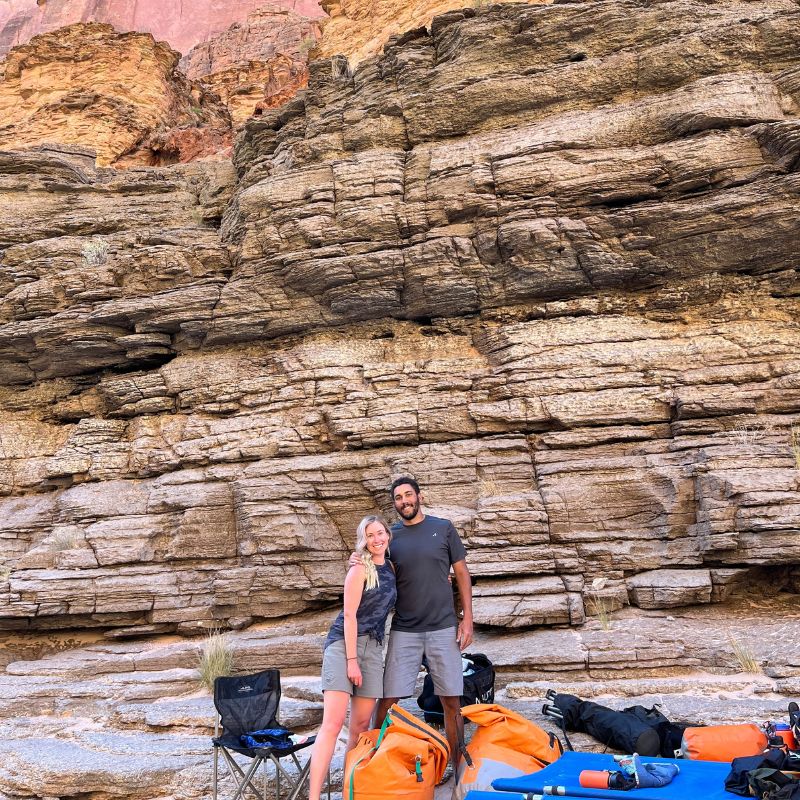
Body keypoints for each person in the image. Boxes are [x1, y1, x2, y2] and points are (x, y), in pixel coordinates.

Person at [372, 476, 474, 782]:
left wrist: (467, 619)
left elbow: (462, 573)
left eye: (408, 495)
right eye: (398, 498)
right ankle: (372, 759)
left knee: (451, 700)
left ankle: (458, 769)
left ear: (419, 496)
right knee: (388, 698)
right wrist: (357, 558)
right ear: (395, 504)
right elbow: (376, 570)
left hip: (443, 627)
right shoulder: (391, 537)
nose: (404, 501)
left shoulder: (443, 528)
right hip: (405, 629)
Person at [308, 515, 397, 800]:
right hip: (343, 647)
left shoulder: (392, 568)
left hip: (374, 649)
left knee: (360, 728)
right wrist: (351, 661)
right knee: (333, 725)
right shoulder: (359, 568)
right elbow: (348, 617)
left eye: (380, 533)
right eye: (370, 535)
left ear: (388, 536)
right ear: (364, 540)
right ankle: (314, 796)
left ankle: (349, 793)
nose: (377, 539)